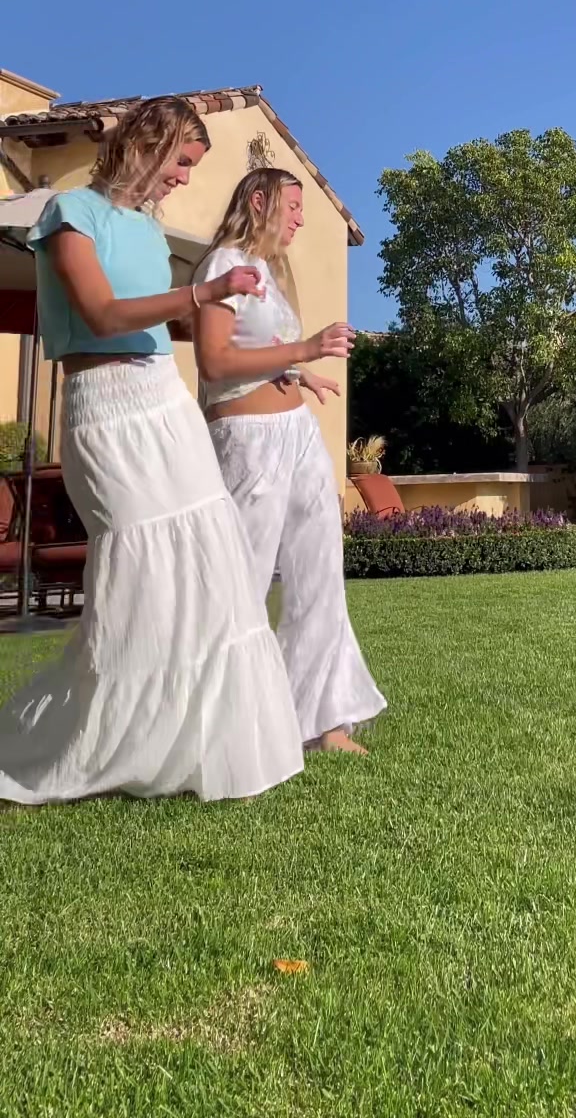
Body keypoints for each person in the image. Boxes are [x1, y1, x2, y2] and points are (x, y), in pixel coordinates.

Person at [0, 97, 306, 807]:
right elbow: (103, 314)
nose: (184, 179)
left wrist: (279, 356)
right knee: (137, 569)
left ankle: (197, 746)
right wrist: (201, 292)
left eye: (193, 167)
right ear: (147, 144)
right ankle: (100, 744)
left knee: (207, 563)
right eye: (182, 162)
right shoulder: (69, 214)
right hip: (103, 408)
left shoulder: (147, 229)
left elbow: (174, 326)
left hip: (165, 401)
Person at [192, 167, 386, 756]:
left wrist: (298, 372)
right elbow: (214, 363)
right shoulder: (222, 267)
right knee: (243, 578)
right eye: (293, 206)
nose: (301, 218)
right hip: (247, 441)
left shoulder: (269, 275)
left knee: (319, 574)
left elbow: (260, 351)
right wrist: (305, 349)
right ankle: (228, 728)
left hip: (297, 434)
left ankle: (323, 723)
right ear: (259, 201)